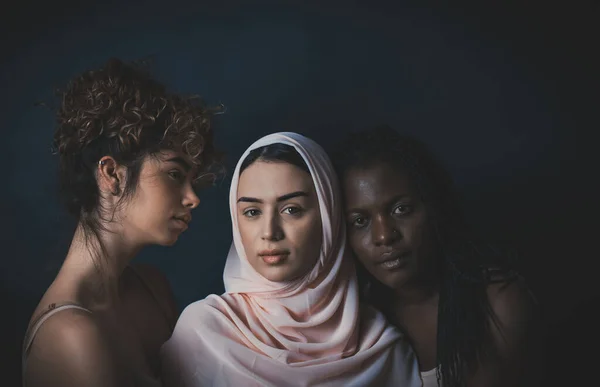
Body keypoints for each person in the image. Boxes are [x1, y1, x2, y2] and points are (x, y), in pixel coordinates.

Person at [161, 132, 422, 387]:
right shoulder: (204, 332)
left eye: (291, 210)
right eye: (252, 212)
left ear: (329, 217)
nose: (269, 232)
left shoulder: (380, 344)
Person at [22, 58, 222, 387]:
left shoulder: (152, 289)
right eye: (175, 174)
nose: (192, 198)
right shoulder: (71, 334)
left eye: (193, 181)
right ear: (112, 175)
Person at [333, 125, 541, 387]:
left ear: (433, 206)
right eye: (360, 221)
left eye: (401, 209)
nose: (384, 236)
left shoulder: (499, 303)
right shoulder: (349, 323)